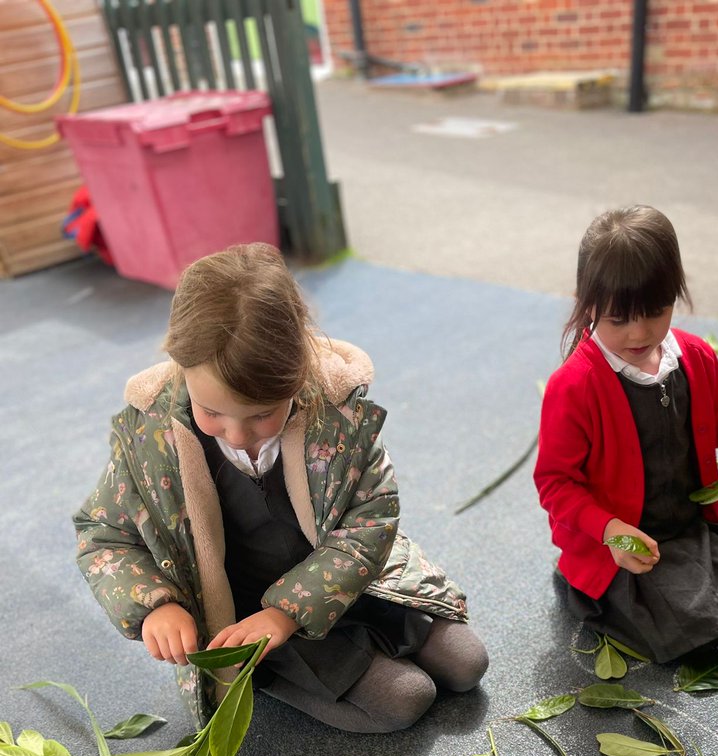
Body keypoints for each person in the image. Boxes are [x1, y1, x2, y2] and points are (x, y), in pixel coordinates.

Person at [74, 243, 488, 731]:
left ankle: (358, 645)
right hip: (249, 614)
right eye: (212, 413)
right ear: (181, 370)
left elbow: (370, 524)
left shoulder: (338, 415)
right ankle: (259, 675)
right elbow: (102, 535)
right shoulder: (149, 436)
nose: (236, 433)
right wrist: (154, 605)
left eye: (261, 414)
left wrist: (291, 610)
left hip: (349, 581)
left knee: (467, 662)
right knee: (405, 699)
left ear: (297, 378)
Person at [533, 206, 718, 663]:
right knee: (685, 640)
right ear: (588, 303)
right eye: (618, 320)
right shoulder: (573, 386)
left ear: (676, 294)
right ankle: (580, 584)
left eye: (655, 313)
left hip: (687, 528)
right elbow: (555, 483)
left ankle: (675, 590)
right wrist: (611, 531)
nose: (639, 333)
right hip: (621, 545)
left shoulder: (695, 355)